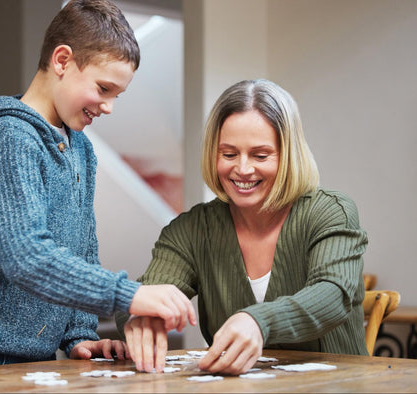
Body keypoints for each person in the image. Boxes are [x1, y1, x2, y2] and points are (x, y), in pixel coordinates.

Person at [0, 0, 195, 370]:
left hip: (33, 359)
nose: (109, 107)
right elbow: (27, 258)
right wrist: (128, 295)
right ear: (62, 61)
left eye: (118, 95)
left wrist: (80, 334)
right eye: (103, 88)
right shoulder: (9, 138)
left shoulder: (81, 148)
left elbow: (82, 248)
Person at [118, 79, 368, 374]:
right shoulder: (192, 229)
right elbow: (146, 293)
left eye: (260, 155)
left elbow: (333, 295)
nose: (243, 169)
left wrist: (258, 322)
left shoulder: (330, 211)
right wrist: (141, 316)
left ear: (289, 155)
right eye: (229, 154)